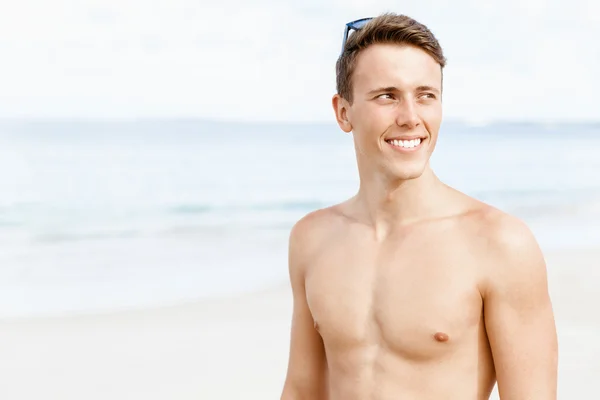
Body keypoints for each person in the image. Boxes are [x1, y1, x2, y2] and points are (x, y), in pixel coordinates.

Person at [279, 12, 558, 400]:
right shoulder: (311, 239)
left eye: (426, 95)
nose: (411, 117)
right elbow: (302, 390)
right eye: (387, 96)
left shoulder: (498, 243)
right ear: (343, 112)